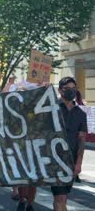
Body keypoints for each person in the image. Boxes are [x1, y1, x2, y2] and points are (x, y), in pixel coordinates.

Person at [51, 77, 87, 211]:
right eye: (68, 89)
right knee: (60, 197)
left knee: (62, 198)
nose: (71, 91)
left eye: (74, 89)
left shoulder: (81, 113)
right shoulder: (51, 109)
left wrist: (78, 163)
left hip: (71, 161)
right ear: (60, 90)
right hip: (54, 160)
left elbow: (82, 139)